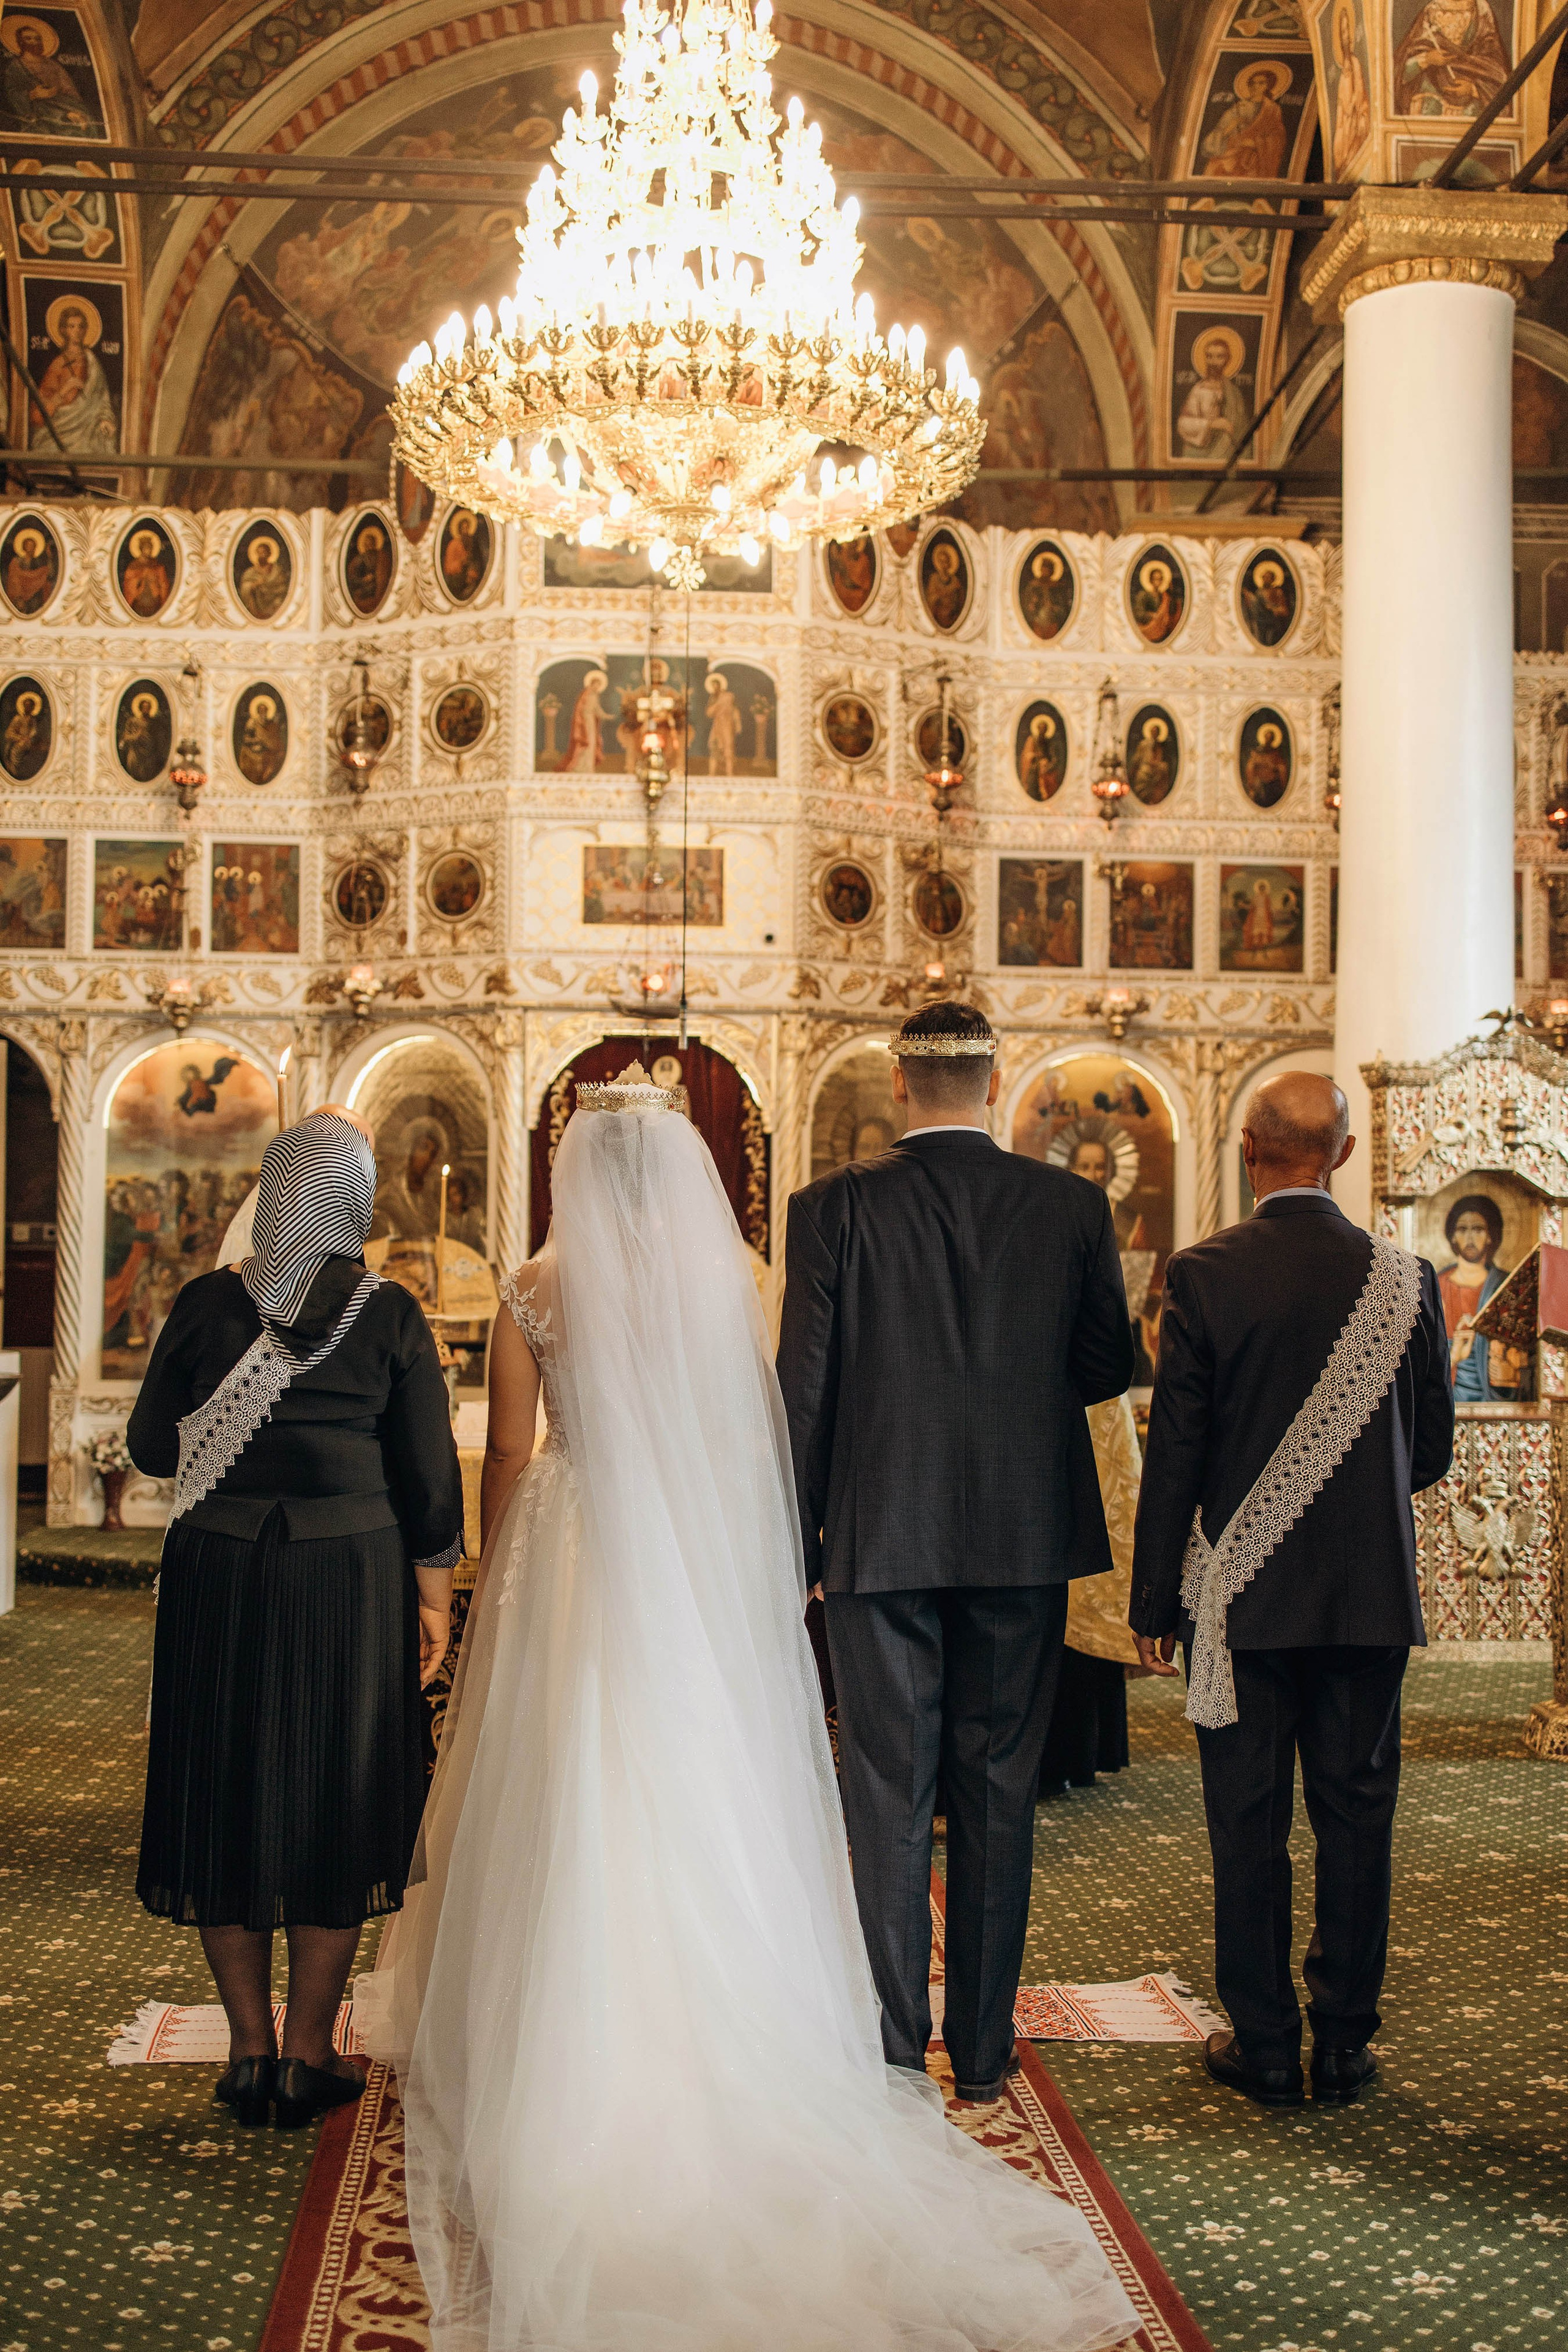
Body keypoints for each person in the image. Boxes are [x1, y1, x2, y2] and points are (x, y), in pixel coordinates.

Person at [361, 1058, 1136, 2352]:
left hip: (572, 1547)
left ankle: (546, 2046)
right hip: (691, 1561)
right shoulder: (732, 1282)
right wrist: (748, 1568)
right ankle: (749, 2028)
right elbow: (753, 1438)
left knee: (564, 1779)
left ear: (568, 1172)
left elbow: (507, 1451)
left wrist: (494, 1583)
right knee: (691, 1779)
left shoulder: (537, 1287)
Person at [777, 1000, 1134, 2102]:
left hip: (879, 1530)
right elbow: (1108, 1364)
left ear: (898, 1081)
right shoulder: (1072, 1206)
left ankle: (892, 2048)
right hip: (1023, 1534)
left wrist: (791, 1546)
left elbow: (805, 1390)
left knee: (886, 1790)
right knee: (997, 1786)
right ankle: (981, 2055)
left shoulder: (832, 1208)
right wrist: (1012, 1404)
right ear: (997, 1079)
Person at [129, 1113, 464, 2132]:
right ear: (353, 1201)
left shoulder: (202, 1304)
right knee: (336, 1792)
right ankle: (310, 2054)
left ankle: (247, 2054)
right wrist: (437, 1599)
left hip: (218, 1574)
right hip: (347, 1579)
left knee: (220, 1785)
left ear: (271, 1197)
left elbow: (150, 1448)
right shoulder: (390, 1313)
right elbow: (429, 1479)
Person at [1129, 1072, 1453, 2109]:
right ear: (1344, 1156)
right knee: (1359, 1817)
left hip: (1243, 1603)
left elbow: (1173, 1455)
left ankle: (1264, 2044)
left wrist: (1152, 1606)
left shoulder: (1207, 1274)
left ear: (1247, 1149)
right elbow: (1432, 1452)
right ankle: (1347, 2047)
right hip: (1367, 1598)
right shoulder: (1408, 1279)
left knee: (1249, 1818)